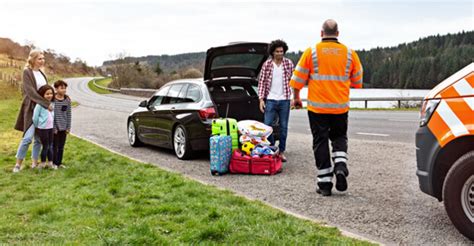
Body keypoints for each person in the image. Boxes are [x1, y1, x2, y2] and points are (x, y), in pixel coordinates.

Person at [290, 19, 363, 196]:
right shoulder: (349, 53)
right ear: (338, 33)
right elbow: (357, 81)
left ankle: (324, 184)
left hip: (317, 108)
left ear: (321, 33)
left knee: (320, 141)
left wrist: (297, 98)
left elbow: (297, 79)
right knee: (339, 137)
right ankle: (340, 165)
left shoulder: (311, 52)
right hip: (339, 107)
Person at [13, 50, 53, 172]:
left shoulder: (42, 73)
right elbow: (30, 92)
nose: (42, 61)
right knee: (27, 138)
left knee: (38, 139)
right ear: (33, 59)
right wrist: (46, 104)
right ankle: (18, 164)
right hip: (31, 108)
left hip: (42, 110)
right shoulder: (27, 72)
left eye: (43, 58)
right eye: (39, 58)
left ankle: (34, 163)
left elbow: (45, 90)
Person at [257, 39, 295, 162]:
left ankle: (282, 151)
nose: (280, 53)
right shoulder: (267, 65)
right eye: (277, 51)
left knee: (284, 127)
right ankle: (273, 148)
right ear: (272, 52)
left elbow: (293, 82)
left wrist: (293, 97)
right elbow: (261, 83)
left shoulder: (288, 63)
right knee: (267, 126)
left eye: (282, 51)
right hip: (271, 100)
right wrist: (261, 99)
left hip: (285, 100)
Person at [32, 85, 55, 169]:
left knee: (51, 145)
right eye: (47, 94)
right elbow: (35, 117)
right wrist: (38, 125)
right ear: (42, 95)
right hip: (43, 129)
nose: (49, 95)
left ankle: (50, 163)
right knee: (45, 146)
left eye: (51, 93)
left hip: (51, 128)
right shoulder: (39, 105)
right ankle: (42, 163)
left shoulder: (52, 104)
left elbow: (53, 115)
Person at [52, 80, 71, 169]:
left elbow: (69, 114)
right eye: (61, 88)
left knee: (61, 147)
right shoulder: (53, 100)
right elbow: (52, 115)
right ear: (56, 89)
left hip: (64, 127)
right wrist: (54, 127)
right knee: (54, 146)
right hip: (55, 128)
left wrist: (68, 127)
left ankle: (59, 163)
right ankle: (54, 163)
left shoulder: (67, 100)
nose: (64, 90)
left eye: (65, 88)